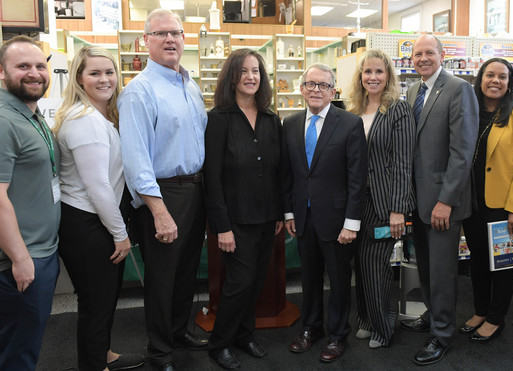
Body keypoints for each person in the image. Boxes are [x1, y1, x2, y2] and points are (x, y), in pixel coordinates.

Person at [117, 9, 208, 371]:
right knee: (162, 278)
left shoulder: (190, 84)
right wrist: (158, 211)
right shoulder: (138, 92)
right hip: (163, 195)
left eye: (176, 32)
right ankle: (160, 352)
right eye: (160, 33)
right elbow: (137, 160)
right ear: (145, 41)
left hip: (195, 191)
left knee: (186, 271)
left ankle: (177, 331)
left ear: (184, 39)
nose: (170, 39)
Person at [53, 46, 144, 371]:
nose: (105, 79)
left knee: (104, 300)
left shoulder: (101, 115)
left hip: (97, 219)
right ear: (79, 78)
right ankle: (95, 365)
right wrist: (120, 234)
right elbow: (98, 186)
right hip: (89, 223)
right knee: (95, 303)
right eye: (95, 73)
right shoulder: (84, 122)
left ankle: (102, 354)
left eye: (109, 72)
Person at [400, 35, 478, 365]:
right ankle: (433, 316)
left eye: (429, 52)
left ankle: (442, 334)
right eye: (417, 54)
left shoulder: (459, 88)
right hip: (419, 199)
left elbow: (462, 152)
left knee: (443, 271)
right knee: (427, 268)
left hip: (443, 202)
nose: (422, 58)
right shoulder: (415, 90)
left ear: (442, 55)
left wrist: (446, 200)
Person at [205, 49, 283, 370]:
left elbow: (278, 172)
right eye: (244, 71)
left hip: (267, 218)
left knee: (256, 281)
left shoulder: (270, 118)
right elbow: (212, 177)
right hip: (234, 221)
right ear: (232, 77)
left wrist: (279, 213)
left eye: (256, 71)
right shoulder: (218, 119)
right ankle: (219, 343)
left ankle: (244, 334)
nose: (251, 76)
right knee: (239, 283)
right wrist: (221, 226)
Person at [283, 63, 367, 363]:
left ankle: (337, 334)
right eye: (311, 84)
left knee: (340, 281)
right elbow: (289, 174)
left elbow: (357, 177)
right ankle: (311, 328)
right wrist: (289, 213)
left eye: (323, 85)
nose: (316, 90)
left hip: (337, 221)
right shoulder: (290, 124)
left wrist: (351, 223)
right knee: (309, 278)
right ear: (301, 88)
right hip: (303, 219)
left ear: (333, 91)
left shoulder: (349, 123)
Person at [459, 58, 513, 345]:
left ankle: (495, 318)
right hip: (473, 201)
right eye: (490, 75)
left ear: (509, 83)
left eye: (502, 77)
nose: (495, 80)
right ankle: (481, 310)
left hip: (506, 205)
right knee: (478, 258)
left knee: (503, 263)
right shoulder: (470, 110)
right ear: (480, 79)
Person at [346, 49, 415, 349]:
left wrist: (397, 210)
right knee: (360, 265)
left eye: (378, 71)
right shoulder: (353, 110)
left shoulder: (397, 110)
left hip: (384, 203)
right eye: (367, 72)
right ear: (359, 76)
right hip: (355, 202)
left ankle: (383, 328)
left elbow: (403, 162)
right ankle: (365, 319)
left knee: (375, 266)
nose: (372, 77)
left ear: (388, 76)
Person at [0, 35, 60, 371]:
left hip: (39, 251)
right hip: (20, 259)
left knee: (24, 341)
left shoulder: (29, 113)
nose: (34, 73)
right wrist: (20, 259)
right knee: (17, 350)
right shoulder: (4, 119)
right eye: (23, 66)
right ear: (2, 72)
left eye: (40, 65)